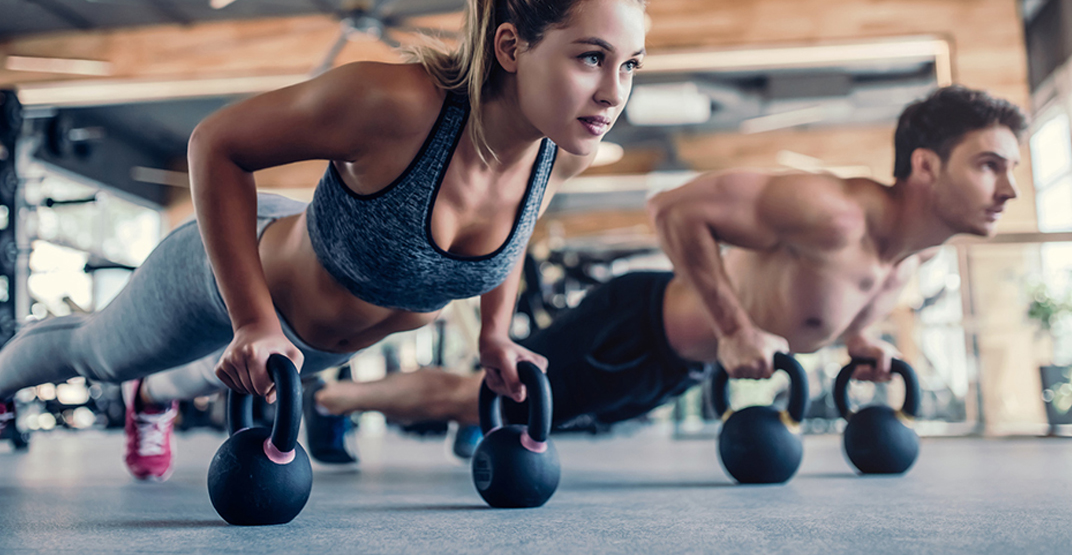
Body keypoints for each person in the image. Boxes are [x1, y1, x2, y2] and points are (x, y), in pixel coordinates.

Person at [0, 0, 649, 487]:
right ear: (510, 47)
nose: (614, 91)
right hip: (232, 271)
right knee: (98, 356)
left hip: (303, 343)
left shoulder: (562, 150)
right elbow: (216, 143)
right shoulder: (396, 105)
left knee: (210, 370)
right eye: (592, 57)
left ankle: (156, 399)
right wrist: (252, 319)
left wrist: (495, 334)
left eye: (630, 65)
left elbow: (511, 237)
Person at [308, 85, 1026, 450]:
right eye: (990, 165)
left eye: (1014, 169)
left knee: (525, 418)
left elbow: (827, 300)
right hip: (634, 326)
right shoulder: (831, 209)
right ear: (927, 167)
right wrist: (736, 326)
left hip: (669, 367)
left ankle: (383, 408)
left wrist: (862, 340)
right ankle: (331, 402)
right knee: (476, 398)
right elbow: (673, 207)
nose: (1011, 189)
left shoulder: (913, 253)